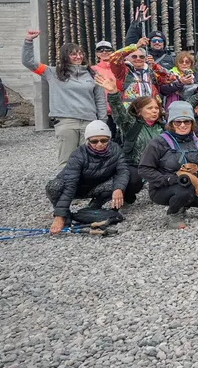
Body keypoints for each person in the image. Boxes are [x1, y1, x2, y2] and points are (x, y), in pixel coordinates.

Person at [22, 29, 107, 167]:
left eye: (80, 53)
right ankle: (68, 187)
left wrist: (102, 122)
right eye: (73, 54)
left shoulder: (92, 73)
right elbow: (28, 62)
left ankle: (87, 187)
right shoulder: (52, 72)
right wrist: (28, 41)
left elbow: (100, 99)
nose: (78, 56)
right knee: (67, 161)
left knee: (90, 159)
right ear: (65, 57)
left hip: (89, 122)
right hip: (66, 122)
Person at [44, 120, 132, 234]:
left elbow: (123, 171)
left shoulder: (116, 149)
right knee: (53, 186)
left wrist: (118, 189)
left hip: (95, 187)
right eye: (94, 141)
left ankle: (93, 208)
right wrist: (59, 215)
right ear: (88, 140)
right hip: (75, 187)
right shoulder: (78, 155)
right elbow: (70, 184)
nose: (99, 144)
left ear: (109, 139)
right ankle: (65, 215)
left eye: (104, 140)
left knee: (118, 183)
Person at [97, 74, 159, 198]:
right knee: (132, 180)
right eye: (150, 108)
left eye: (156, 108)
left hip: (157, 165)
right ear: (139, 111)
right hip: (135, 165)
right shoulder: (130, 124)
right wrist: (113, 93)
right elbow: (119, 112)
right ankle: (127, 196)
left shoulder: (162, 126)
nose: (154, 111)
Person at [124, 4, 175, 70]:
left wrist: (154, 65)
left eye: (160, 41)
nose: (157, 42)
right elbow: (130, 43)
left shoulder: (171, 59)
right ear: (149, 43)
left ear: (164, 43)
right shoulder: (142, 55)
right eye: (153, 41)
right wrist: (136, 24)